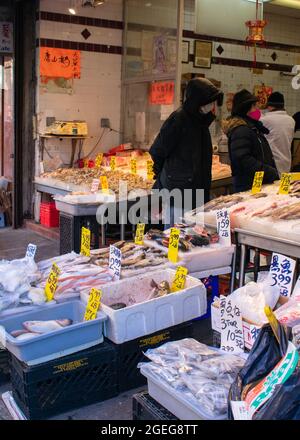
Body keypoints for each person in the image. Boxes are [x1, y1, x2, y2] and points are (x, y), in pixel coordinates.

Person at [149, 77, 223, 226]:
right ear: (197, 100)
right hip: (179, 192)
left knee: (192, 237)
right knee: (175, 235)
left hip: (197, 191)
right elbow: (158, 150)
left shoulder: (201, 121)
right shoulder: (179, 119)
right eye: (209, 101)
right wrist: (166, 175)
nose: (211, 105)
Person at [223, 89, 279, 193]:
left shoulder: (252, 127)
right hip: (247, 183)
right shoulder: (241, 130)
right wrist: (268, 171)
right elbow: (243, 158)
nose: (257, 109)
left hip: (256, 181)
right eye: (254, 106)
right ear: (245, 109)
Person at [260, 92, 295, 175]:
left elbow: (251, 115)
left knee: (270, 187)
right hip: (286, 162)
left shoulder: (265, 120)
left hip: (272, 164)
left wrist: (258, 107)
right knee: (282, 187)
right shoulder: (291, 120)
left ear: (270, 106)